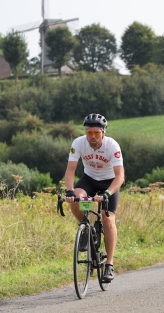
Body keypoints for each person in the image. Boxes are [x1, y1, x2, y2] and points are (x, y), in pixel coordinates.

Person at [64, 113, 125, 282]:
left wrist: (107, 193)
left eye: (96, 133)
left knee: (107, 219)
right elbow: (70, 170)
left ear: (103, 132)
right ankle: (86, 226)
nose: (92, 136)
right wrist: (70, 191)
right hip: (89, 179)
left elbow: (120, 176)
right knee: (77, 199)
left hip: (109, 183)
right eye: (89, 132)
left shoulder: (112, 145)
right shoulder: (78, 143)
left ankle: (110, 265)